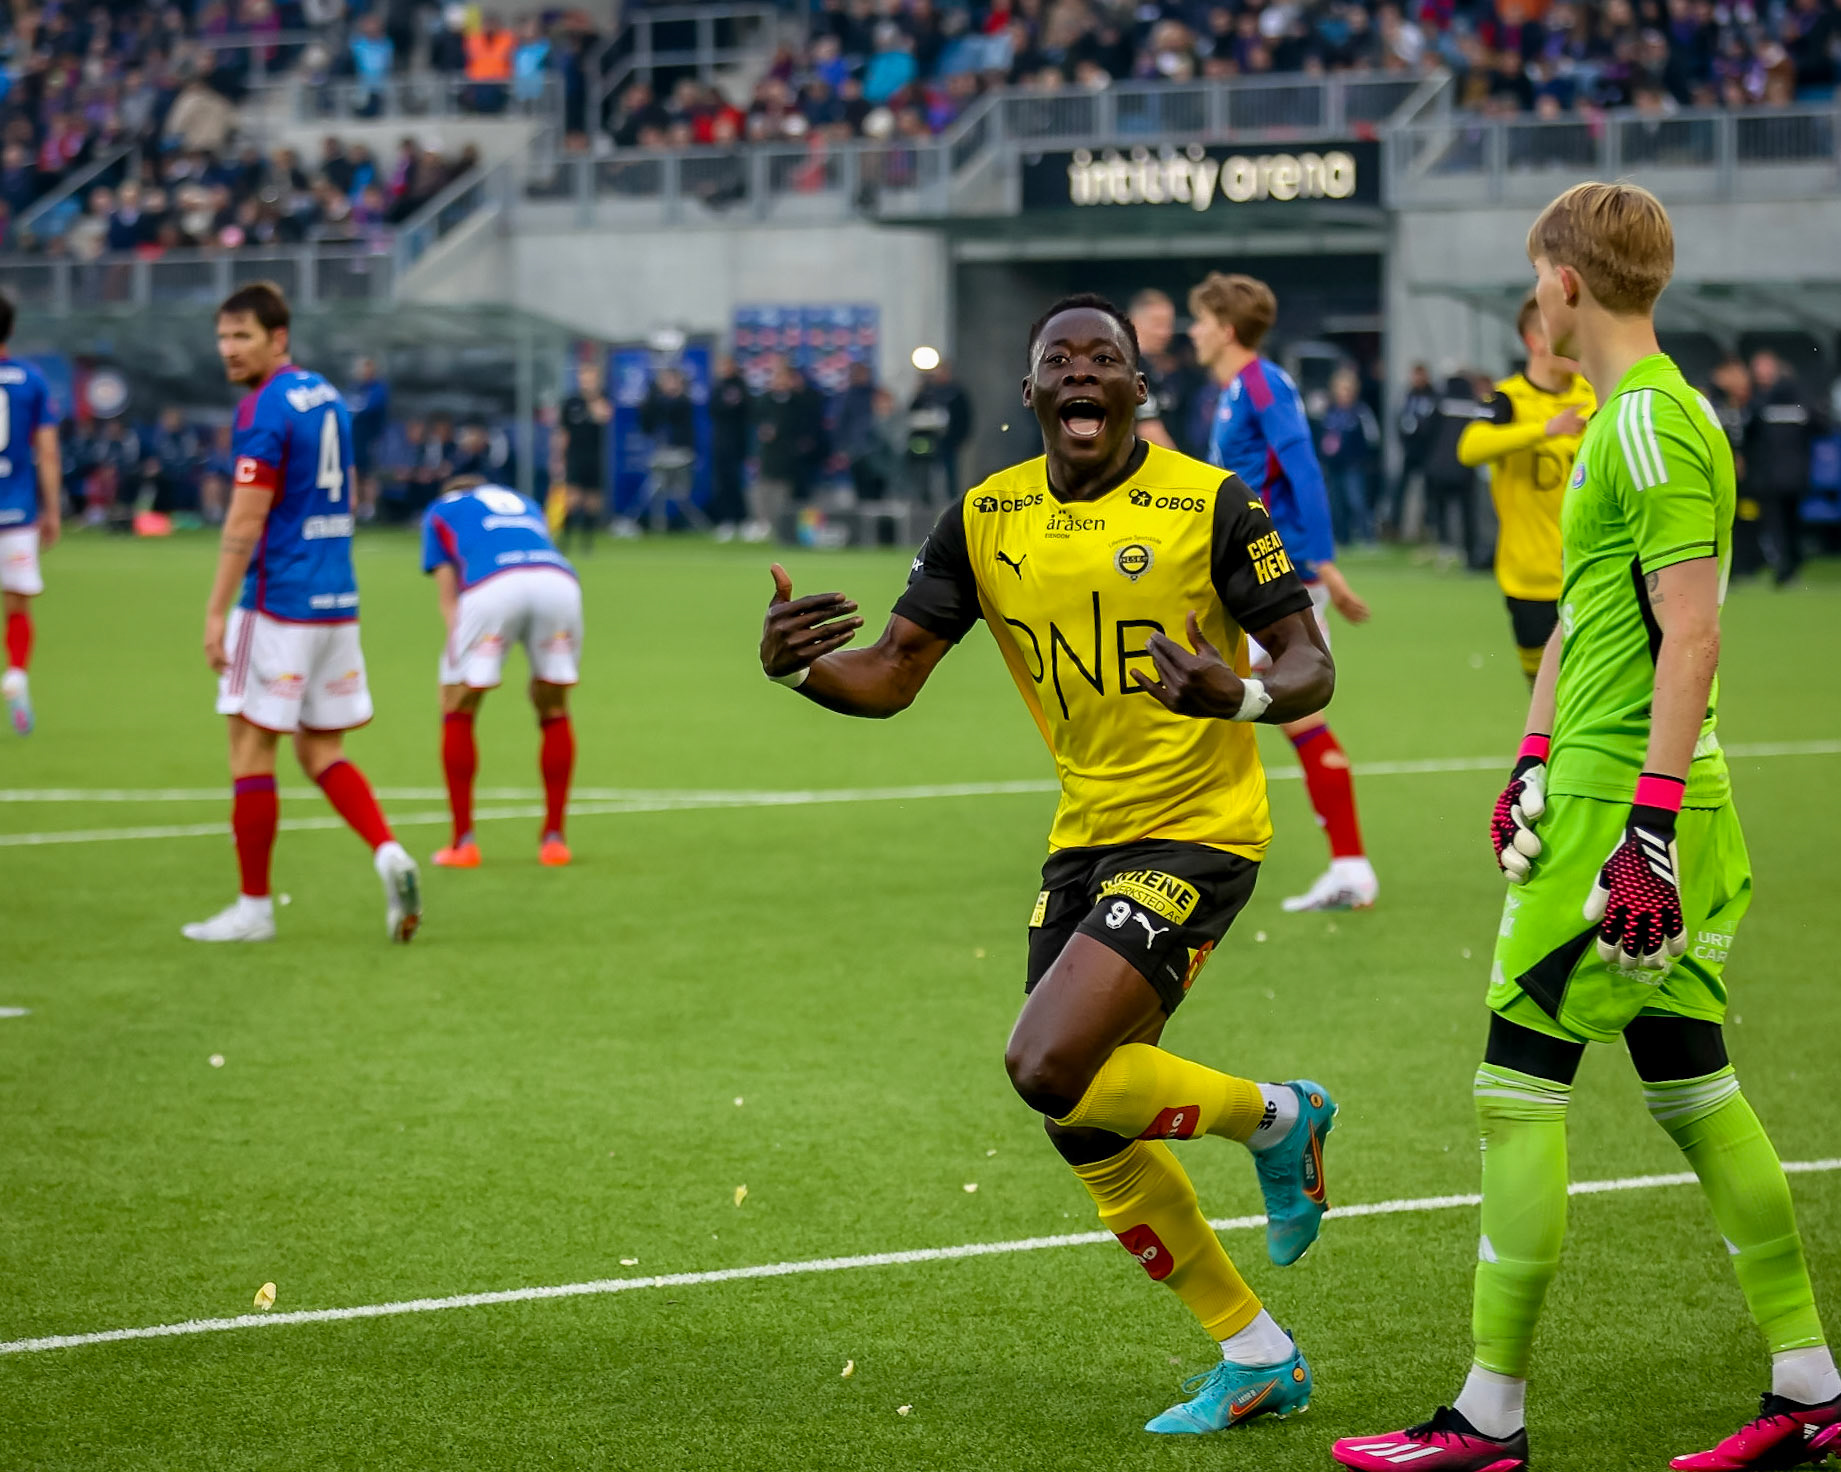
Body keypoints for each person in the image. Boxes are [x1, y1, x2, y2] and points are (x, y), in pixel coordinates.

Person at [759, 294, 1340, 1439]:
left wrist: (1240, 694)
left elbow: (1308, 660)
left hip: (1200, 828)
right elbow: (892, 668)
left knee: (1045, 1059)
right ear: (1029, 393)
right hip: (1085, 835)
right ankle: (1256, 1351)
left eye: (1103, 358)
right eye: (1057, 361)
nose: (1081, 373)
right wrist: (797, 670)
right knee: (1078, 1117)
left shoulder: (1211, 503)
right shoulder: (985, 517)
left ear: (1136, 389)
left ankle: (1278, 1118)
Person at [1334, 181, 1840, 1472]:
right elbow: (1578, 615)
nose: (1533, 301)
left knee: (1512, 1092)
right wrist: (1528, 754)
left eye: (1534, 278)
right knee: (1692, 1087)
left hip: (1629, 806)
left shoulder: (1653, 423)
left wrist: (1643, 833)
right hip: (1611, 786)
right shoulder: (1633, 417)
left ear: (1564, 282)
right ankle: (1809, 1384)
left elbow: (1691, 634)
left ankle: (1487, 1416)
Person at [184, 282, 421, 945]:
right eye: (223, 337)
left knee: (249, 749)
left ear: (278, 338)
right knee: (320, 749)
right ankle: (388, 852)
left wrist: (215, 612)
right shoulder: (327, 396)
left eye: (243, 336)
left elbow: (244, 519)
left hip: (277, 603)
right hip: (335, 601)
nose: (229, 350)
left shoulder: (262, 408)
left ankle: (254, 909)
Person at [1188, 272, 1378, 913]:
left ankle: (1346, 867)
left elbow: (1303, 468)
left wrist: (1324, 563)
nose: (1194, 331)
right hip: (1247, 574)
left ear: (1226, 329)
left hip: (1278, 577)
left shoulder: (1264, 383)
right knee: (1257, 710)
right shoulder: (1235, 390)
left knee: (1265, 708)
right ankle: (1346, 867)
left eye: (1201, 319)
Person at [422, 476, 582, 869]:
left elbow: (449, 598)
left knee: (457, 703)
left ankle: (463, 843)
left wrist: (459, 661)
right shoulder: (524, 502)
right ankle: (555, 841)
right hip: (559, 582)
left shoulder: (441, 510)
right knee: (553, 704)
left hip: (493, 584)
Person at [1457, 292, 1596, 684]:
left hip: (1592, 575)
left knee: (1592, 694)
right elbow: (1469, 448)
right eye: (1565, 331)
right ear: (1534, 341)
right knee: (1545, 696)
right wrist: (1546, 430)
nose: (1578, 341)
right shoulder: (1507, 400)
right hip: (1531, 579)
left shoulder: (1592, 396)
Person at [0, 292, 61, 737]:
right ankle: (17, 674)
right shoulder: (31, 380)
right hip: (17, 513)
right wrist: (53, 510)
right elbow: (48, 452)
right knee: (17, 604)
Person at [1744, 349, 1825, 587]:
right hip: (1795, 473)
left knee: (1778, 524)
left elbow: (1748, 434)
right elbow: (1821, 425)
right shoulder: (1801, 399)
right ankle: (1790, 566)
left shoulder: (1760, 402)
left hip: (1773, 474)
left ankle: (1785, 567)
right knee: (1790, 523)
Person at [1426, 368, 1491, 567]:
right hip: (1464, 467)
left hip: (1439, 467)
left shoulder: (1441, 404)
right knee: (1467, 512)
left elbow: (1427, 431)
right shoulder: (1474, 405)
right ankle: (1470, 554)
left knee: (1441, 510)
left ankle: (1445, 547)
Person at [1317, 366, 1380, 547]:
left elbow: (1373, 437)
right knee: (1336, 503)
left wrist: (1365, 458)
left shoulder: (1360, 411)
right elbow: (1321, 436)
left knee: (1356, 501)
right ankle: (1342, 537)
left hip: (1354, 465)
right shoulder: (1329, 412)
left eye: (1347, 389)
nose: (1344, 393)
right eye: (1340, 388)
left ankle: (1367, 536)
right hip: (1333, 465)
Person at [556, 360, 610, 553]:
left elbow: (603, 417)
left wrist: (593, 398)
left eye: (591, 378)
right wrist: (559, 458)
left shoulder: (602, 399)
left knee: (593, 501)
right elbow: (563, 433)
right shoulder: (570, 402)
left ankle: (587, 543)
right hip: (575, 455)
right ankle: (565, 540)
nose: (587, 381)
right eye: (584, 377)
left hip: (595, 456)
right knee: (573, 498)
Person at [1389, 362, 1440, 540]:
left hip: (1428, 451)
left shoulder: (1433, 396)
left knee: (1429, 492)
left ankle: (1428, 527)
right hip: (1410, 450)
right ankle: (1394, 526)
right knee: (1400, 489)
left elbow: (1435, 424)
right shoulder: (1407, 395)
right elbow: (1399, 420)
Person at [708, 352, 750, 540]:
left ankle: (742, 519)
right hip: (720, 442)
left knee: (736, 482)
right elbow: (713, 409)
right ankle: (726, 520)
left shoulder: (741, 386)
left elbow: (745, 409)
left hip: (737, 442)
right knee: (722, 482)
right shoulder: (718, 387)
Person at [347, 356, 389, 522]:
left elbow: (368, 408)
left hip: (371, 439)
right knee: (355, 473)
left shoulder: (378, 388)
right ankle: (357, 508)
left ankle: (370, 510)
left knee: (369, 474)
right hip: (354, 438)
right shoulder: (354, 388)